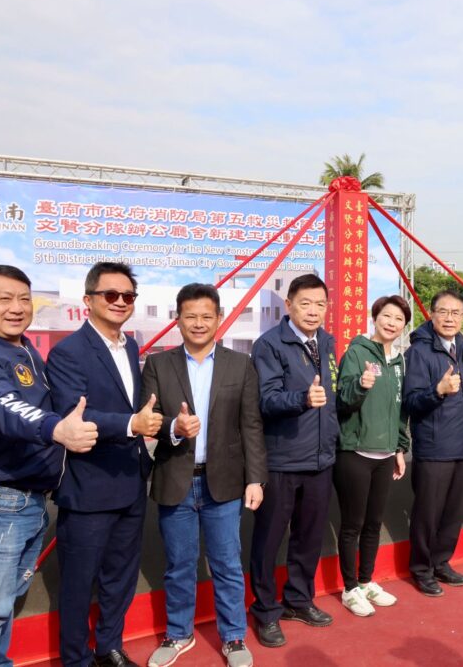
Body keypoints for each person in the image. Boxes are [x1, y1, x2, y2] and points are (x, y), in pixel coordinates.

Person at [0, 265, 98, 667]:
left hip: (26, 500)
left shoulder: (22, 349)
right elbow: (0, 407)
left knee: (0, 608)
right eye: (4, 298)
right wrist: (56, 429)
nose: (16, 307)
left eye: (24, 299)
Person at [141, 284, 267, 667]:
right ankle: (179, 633)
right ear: (177, 319)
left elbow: (251, 425)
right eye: (190, 316)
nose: (198, 323)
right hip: (175, 478)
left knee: (227, 564)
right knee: (179, 565)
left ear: (219, 319)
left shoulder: (240, 364)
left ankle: (233, 637)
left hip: (224, 483)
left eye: (206, 316)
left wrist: (255, 479)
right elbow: (149, 418)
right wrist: (174, 427)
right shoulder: (158, 365)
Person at [47, 261, 158, 667]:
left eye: (128, 295)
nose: (120, 301)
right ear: (88, 299)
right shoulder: (67, 352)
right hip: (89, 486)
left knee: (120, 576)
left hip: (131, 481)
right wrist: (131, 424)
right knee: (79, 584)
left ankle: (109, 647)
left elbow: (135, 408)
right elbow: (73, 415)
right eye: (110, 294)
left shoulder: (130, 346)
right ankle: (76, 659)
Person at [249, 274, 339, 647]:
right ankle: (265, 611)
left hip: (320, 460)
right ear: (288, 305)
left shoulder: (328, 343)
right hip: (282, 460)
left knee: (308, 537)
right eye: (305, 303)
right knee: (269, 540)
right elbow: (266, 400)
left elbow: (332, 398)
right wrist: (302, 398)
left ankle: (299, 601)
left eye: (320, 304)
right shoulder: (269, 345)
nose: (313, 311)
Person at [334, 295, 411, 616]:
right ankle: (349, 588)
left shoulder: (399, 361)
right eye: (386, 316)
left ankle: (366, 581)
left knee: (373, 522)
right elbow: (343, 400)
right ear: (374, 317)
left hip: (385, 454)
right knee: (352, 524)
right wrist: (361, 384)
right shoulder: (356, 352)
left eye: (399, 319)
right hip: (355, 452)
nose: (392, 323)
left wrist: (399, 448)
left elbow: (400, 410)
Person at [403, 290, 463, 596]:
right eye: (443, 312)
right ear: (431, 314)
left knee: (453, 512)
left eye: (456, 312)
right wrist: (438, 391)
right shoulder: (419, 352)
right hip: (434, 447)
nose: (449, 318)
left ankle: (441, 562)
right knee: (428, 513)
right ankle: (422, 569)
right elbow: (411, 401)